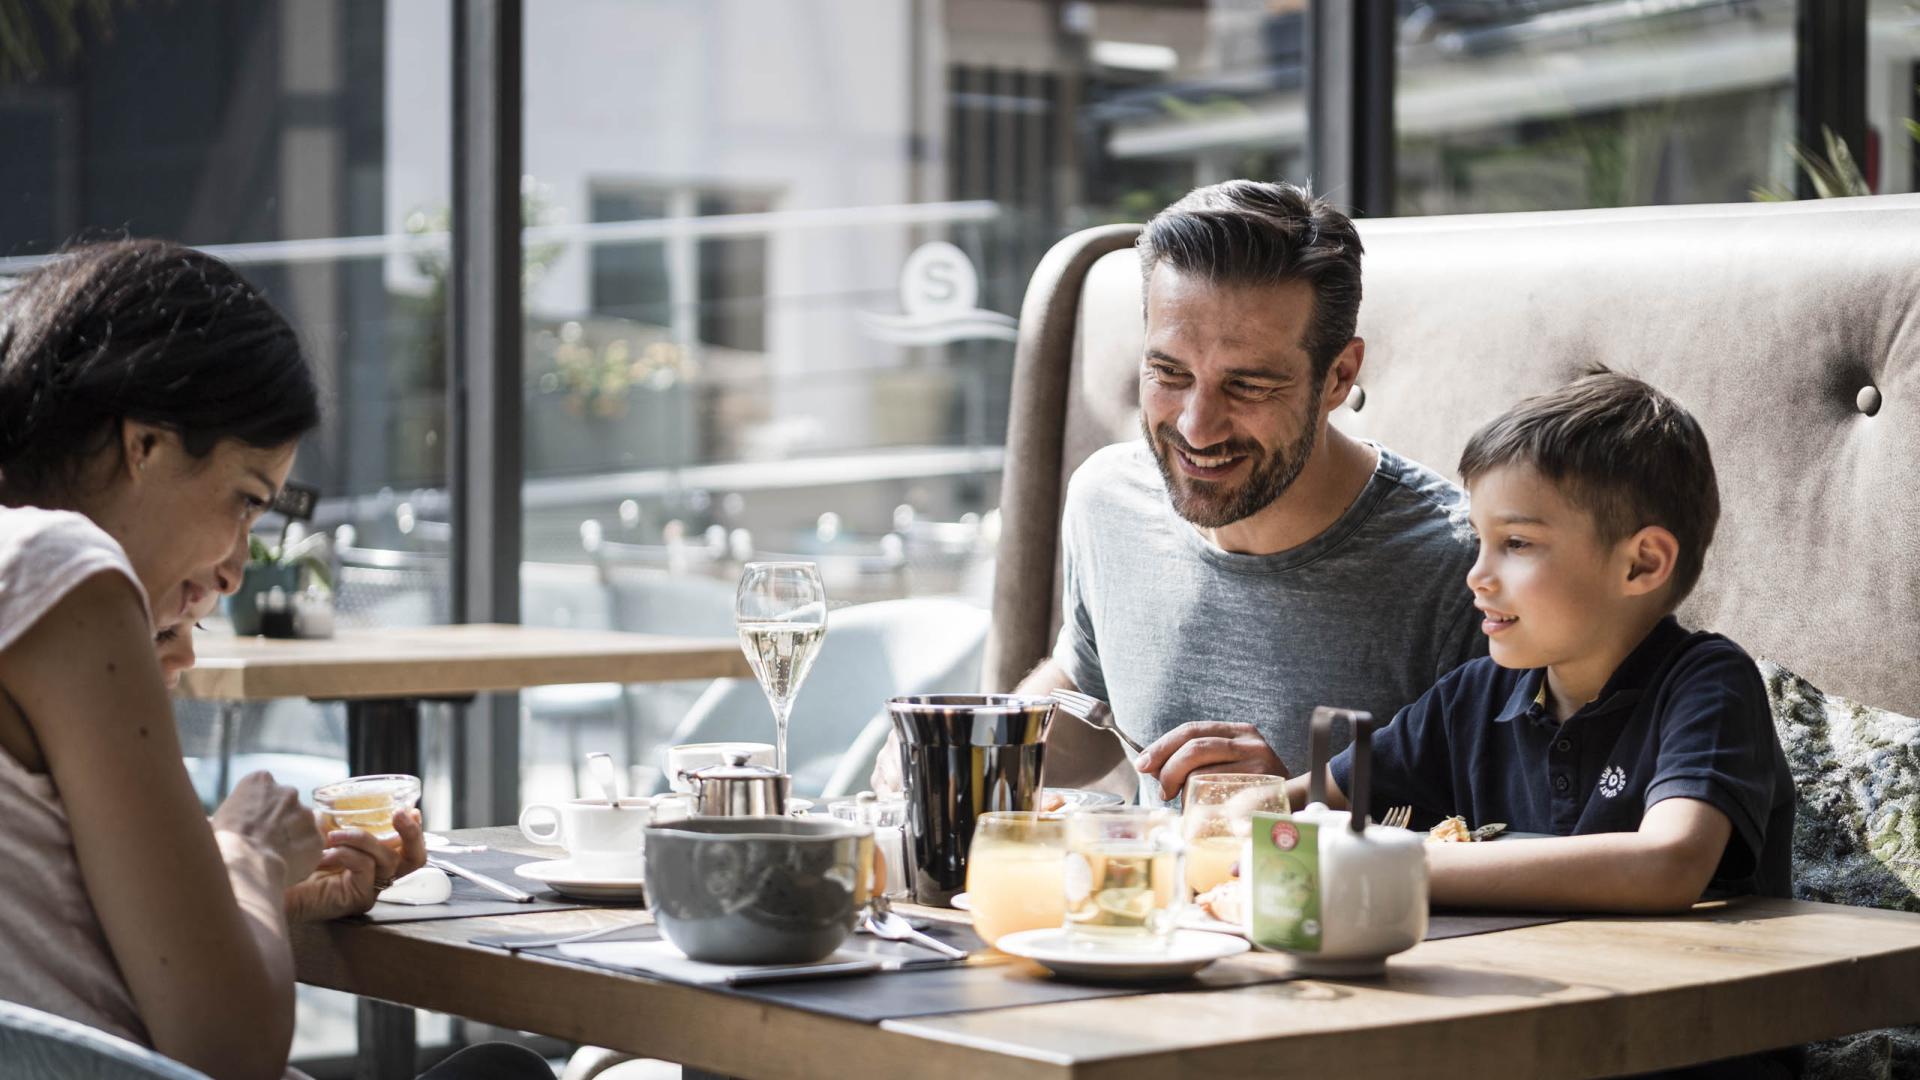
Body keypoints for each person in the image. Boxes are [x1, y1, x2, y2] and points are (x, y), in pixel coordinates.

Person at [0, 239, 536, 1079]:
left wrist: (241, 899)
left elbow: (44, 940)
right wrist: (245, 848)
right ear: (144, 444)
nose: (235, 568)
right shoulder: (58, 570)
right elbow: (230, 1054)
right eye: (245, 500)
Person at [989, 181, 1483, 803]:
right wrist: (970, 745)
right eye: (1169, 373)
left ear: (1339, 376)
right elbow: (1096, 698)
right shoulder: (1107, 499)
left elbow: (1496, 826)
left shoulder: (1462, 568)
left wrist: (1294, 807)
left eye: (1247, 386)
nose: (1196, 426)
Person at [1293, 371, 1795, 914]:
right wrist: (1235, 810)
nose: (1477, 576)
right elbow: (1303, 798)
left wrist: (1384, 864)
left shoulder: (1707, 684)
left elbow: (1668, 863)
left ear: (1641, 563)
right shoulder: (1474, 696)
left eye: (1516, 543)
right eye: (1479, 541)